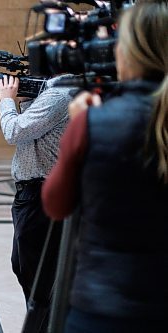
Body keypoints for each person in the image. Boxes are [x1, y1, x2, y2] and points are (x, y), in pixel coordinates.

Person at [42, 2, 168, 332]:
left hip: (102, 308)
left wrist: (76, 128)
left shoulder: (93, 123)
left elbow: (55, 204)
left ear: (128, 52)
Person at [0, 72, 75, 331]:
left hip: (42, 195)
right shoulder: (51, 91)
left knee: (39, 277)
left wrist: (6, 100)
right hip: (31, 194)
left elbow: (15, 131)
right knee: (23, 266)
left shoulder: (58, 94)